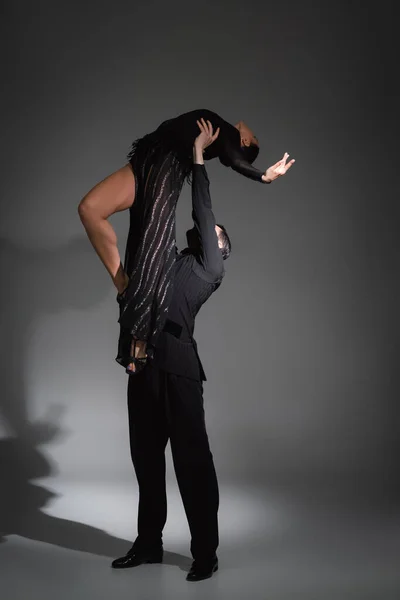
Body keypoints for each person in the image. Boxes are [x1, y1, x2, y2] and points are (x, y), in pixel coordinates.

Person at [78, 110, 295, 374]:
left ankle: (139, 345)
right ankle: (124, 286)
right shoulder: (223, 131)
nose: (251, 131)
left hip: (165, 170)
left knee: (151, 246)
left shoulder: (228, 135)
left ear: (246, 142)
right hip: (148, 159)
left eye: (254, 137)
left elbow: (236, 161)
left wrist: (262, 175)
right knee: (90, 209)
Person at [111, 124, 231, 582]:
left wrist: (199, 158)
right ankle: (148, 545)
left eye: (215, 230)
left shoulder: (210, 269)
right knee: (145, 459)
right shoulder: (172, 261)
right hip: (144, 366)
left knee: (192, 463)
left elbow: (203, 212)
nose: (207, 228)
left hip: (179, 370)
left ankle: (206, 554)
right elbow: (147, 234)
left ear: (220, 247)